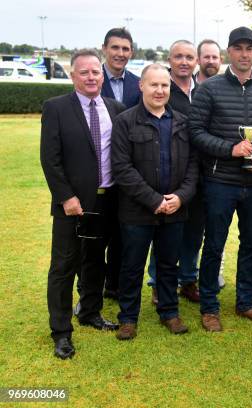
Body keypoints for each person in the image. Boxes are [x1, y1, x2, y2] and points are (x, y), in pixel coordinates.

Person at [188, 26, 252, 331]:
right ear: (229, 51)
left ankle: (245, 301)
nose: (244, 54)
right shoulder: (210, 88)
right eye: (239, 48)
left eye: (250, 48)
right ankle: (209, 306)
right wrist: (230, 149)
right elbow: (196, 132)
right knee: (214, 244)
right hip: (220, 182)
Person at [40, 49, 124, 359]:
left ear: (102, 75)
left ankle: (90, 311)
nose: (91, 76)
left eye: (95, 72)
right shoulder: (56, 108)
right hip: (71, 205)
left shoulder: (116, 108)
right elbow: (50, 159)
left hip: (107, 200)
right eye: (84, 72)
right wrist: (65, 197)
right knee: (63, 266)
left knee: (95, 261)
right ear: (73, 76)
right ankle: (61, 331)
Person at [112, 63, 198, 340]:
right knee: (132, 265)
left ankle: (170, 313)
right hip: (137, 210)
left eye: (164, 85)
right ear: (142, 86)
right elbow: (122, 168)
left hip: (174, 209)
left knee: (168, 264)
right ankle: (127, 318)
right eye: (154, 84)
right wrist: (154, 200)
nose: (160, 90)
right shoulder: (125, 121)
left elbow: (194, 166)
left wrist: (181, 197)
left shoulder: (183, 122)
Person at [147, 40, 201, 304]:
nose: (184, 61)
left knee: (194, 232)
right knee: (163, 232)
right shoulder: (161, 89)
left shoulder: (203, 91)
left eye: (189, 57)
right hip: (166, 173)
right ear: (170, 59)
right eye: (178, 56)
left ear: (196, 61)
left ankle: (189, 279)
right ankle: (157, 283)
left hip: (196, 174)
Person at [99, 27, 142, 300]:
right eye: (115, 48)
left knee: (120, 233)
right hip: (97, 171)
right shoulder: (92, 78)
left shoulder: (137, 84)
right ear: (104, 48)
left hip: (126, 171)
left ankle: (113, 285)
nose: (120, 54)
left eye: (125, 49)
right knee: (93, 236)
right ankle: (90, 286)